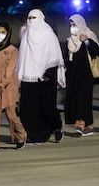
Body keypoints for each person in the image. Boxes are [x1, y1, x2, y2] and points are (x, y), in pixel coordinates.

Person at [18, 9, 65, 144]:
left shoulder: (48, 35)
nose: (31, 21)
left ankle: (56, 127)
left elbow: (55, 57)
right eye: (29, 18)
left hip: (46, 79)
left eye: (34, 18)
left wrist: (48, 74)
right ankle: (35, 134)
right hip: (29, 77)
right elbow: (23, 57)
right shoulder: (26, 35)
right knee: (28, 109)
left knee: (47, 108)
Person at [0, 22, 27, 152]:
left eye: (3, 32)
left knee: (11, 114)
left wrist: (1, 85)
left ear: (8, 33)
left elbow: (9, 71)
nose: (0, 35)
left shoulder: (13, 50)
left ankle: (21, 136)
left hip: (8, 84)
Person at [64, 14, 99, 135]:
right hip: (73, 74)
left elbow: (96, 52)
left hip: (86, 74)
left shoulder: (89, 36)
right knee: (74, 97)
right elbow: (67, 58)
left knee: (83, 98)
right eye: (71, 25)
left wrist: (86, 42)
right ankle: (86, 124)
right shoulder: (70, 40)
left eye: (74, 24)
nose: (72, 27)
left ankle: (81, 123)